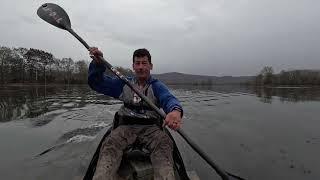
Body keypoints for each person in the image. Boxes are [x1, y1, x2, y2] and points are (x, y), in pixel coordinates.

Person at [88, 47, 183, 180]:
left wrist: (175, 111)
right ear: (133, 66)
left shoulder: (157, 86)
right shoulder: (123, 83)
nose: (140, 67)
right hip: (124, 129)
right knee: (110, 144)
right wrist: (97, 64)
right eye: (137, 63)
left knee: (164, 143)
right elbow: (96, 83)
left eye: (144, 63)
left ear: (151, 66)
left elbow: (169, 99)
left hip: (152, 130)